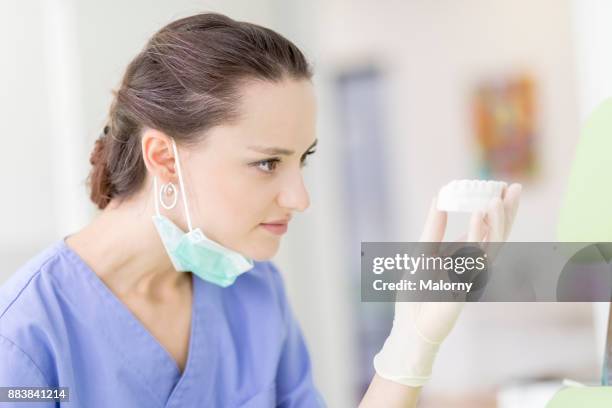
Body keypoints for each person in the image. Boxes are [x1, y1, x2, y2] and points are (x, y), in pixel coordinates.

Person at [0, 12, 521, 407]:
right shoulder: (26, 339)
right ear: (163, 157)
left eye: (303, 160)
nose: (300, 198)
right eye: (268, 163)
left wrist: (412, 343)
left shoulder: (253, 291)